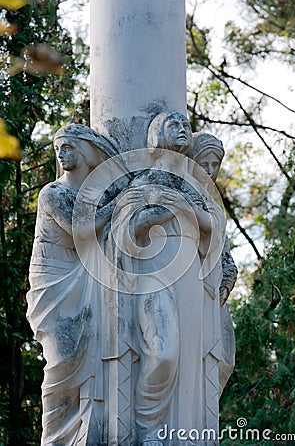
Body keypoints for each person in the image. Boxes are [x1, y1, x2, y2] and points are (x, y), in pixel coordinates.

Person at [112, 112, 226, 445]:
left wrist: (185, 207)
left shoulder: (197, 186)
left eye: (186, 125)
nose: (182, 130)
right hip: (153, 270)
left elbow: (213, 226)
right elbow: (129, 228)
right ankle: (146, 427)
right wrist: (172, 206)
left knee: (191, 358)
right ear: (157, 133)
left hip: (190, 273)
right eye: (174, 125)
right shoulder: (146, 178)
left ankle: (181, 432)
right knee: (163, 351)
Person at [26, 124, 120, 446]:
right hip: (54, 280)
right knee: (61, 359)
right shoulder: (53, 193)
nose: (62, 155)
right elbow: (81, 229)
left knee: (91, 348)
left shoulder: (95, 194)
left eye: (68, 147)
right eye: (58, 150)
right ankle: (55, 439)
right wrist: (119, 206)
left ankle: (86, 432)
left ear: (86, 152)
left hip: (86, 278)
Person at [191, 132, 238, 396]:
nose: (210, 171)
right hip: (192, 287)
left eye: (215, 164)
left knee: (225, 359)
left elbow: (225, 253)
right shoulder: (186, 197)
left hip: (216, 289)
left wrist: (227, 279)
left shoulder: (213, 206)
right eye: (204, 163)